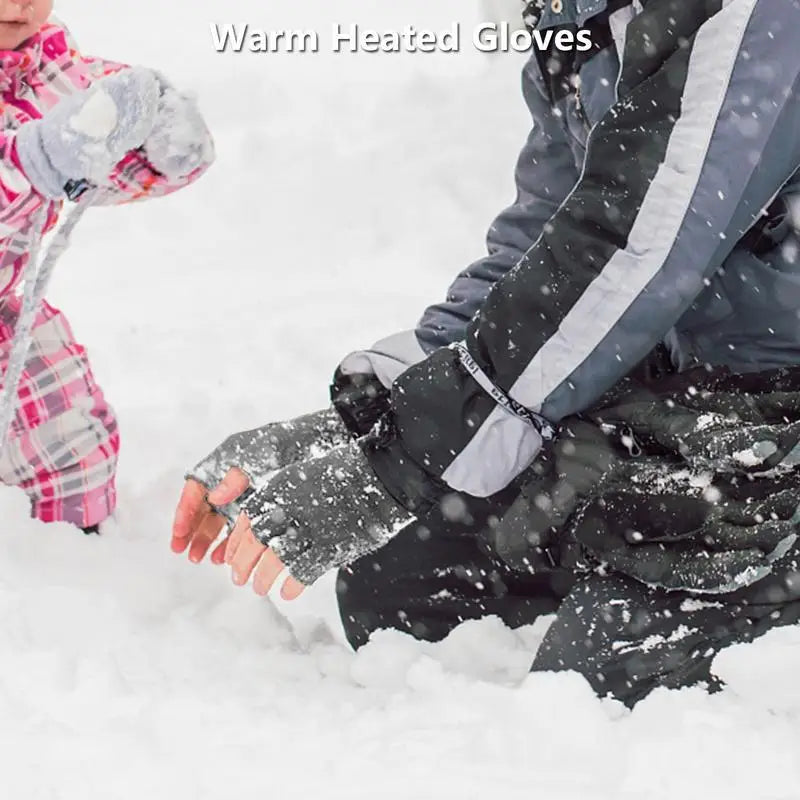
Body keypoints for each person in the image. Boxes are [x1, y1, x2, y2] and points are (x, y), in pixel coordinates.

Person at [172, 0, 800, 706]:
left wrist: (400, 464)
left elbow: (636, 238)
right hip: (675, 399)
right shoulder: (580, 20)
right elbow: (546, 249)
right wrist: (367, 420)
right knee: (403, 593)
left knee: (609, 693)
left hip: (778, 405)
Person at [0, 0, 214, 533]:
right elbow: (41, 158)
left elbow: (99, 152)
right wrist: (30, 160)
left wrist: (163, 144)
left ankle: (71, 558)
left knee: (69, 441)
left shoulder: (49, 72)